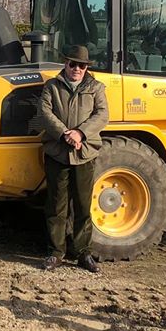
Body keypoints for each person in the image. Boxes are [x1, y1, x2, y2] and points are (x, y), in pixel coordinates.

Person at [35, 45, 109, 273]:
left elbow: (102, 114)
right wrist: (65, 133)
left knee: (83, 205)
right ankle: (56, 252)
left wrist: (80, 133)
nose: (77, 69)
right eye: (73, 64)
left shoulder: (96, 88)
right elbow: (45, 113)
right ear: (65, 64)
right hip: (58, 152)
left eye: (82, 65)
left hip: (84, 153)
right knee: (56, 206)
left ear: (87, 67)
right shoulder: (52, 87)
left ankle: (82, 252)